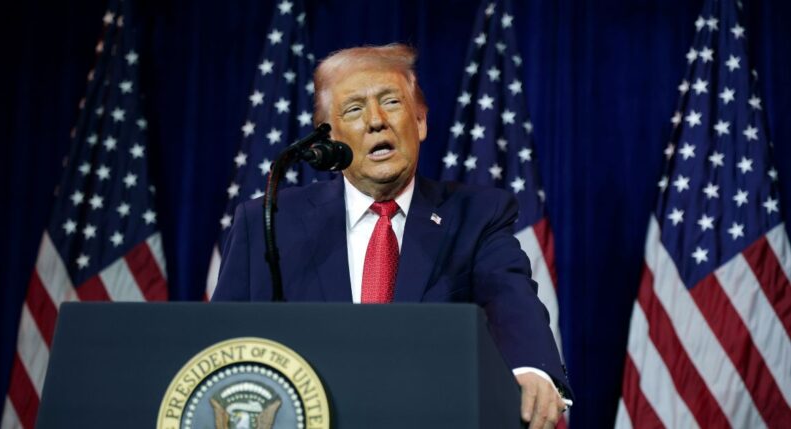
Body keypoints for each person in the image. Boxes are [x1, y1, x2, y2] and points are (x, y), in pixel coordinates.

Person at [213, 44, 572, 428]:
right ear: (328, 140)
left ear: (420, 122)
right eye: (354, 109)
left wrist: (533, 369)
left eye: (392, 103)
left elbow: (509, 298)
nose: (376, 121)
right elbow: (220, 347)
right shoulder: (268, 222)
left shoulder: (476, 215)